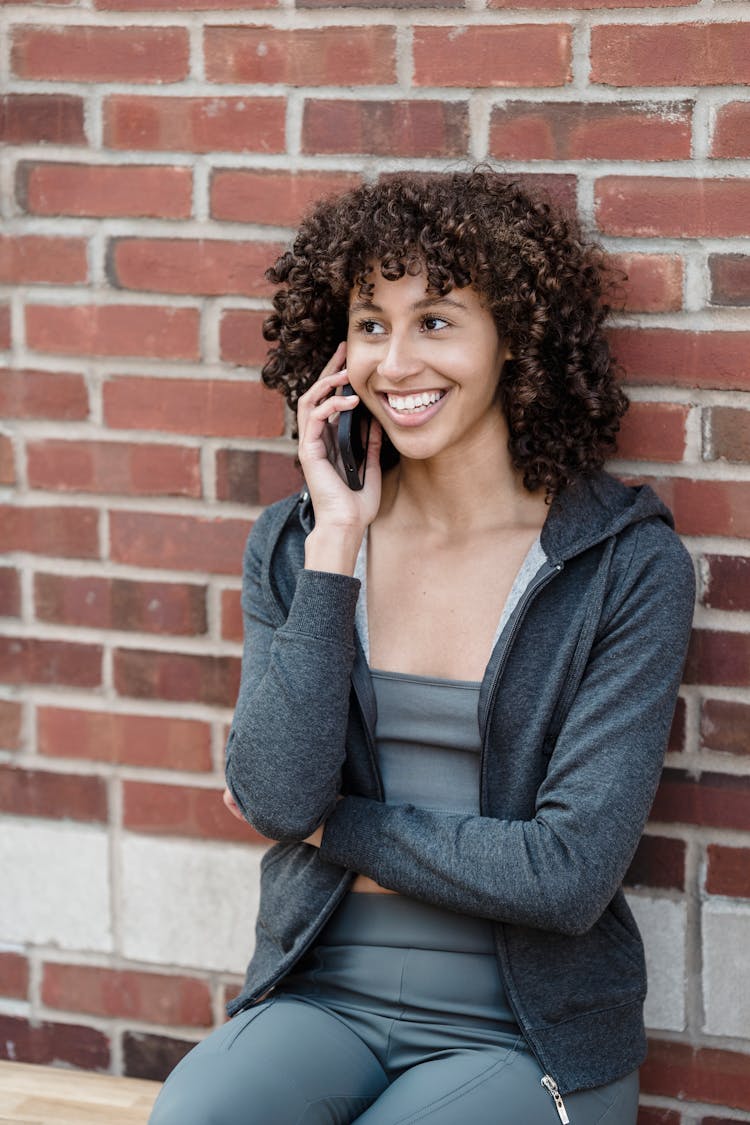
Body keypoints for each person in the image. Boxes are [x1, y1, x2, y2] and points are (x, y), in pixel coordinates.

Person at [149, 170, 695, 1125]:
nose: (395, 363)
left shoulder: (622, 566)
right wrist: (338, 542)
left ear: (513, 337)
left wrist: (340, 828)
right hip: (321, 1000)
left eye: (436, 321)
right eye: (370, 324)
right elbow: (279, 795)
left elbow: (565, 874)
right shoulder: (298, 543)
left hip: (528, 1035)